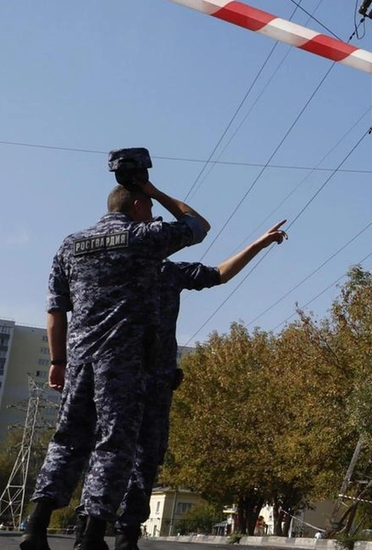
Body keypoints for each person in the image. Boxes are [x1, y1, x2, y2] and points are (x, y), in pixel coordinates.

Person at [20, 181, 209, 550]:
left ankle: (36, 525)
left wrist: (58, 361)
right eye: (148, 207)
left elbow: (55, 310)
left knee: (67, 441)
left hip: (78, 360)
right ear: (138, 205)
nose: (152, 215)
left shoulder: (70, 244)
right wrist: (157, 192)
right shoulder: (143, 238)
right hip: (123, 362)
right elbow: (198, 225)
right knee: (114, 445)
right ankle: (92, 534)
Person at [103, 220, 289, 550]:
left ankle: (125, 532)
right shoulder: (115, 269)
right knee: (113, 453)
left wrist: (259, 244)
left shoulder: (167, 272)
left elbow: (219, 274)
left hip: (148, 381)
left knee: (144, 458)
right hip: (122, 378)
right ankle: (94, 527)